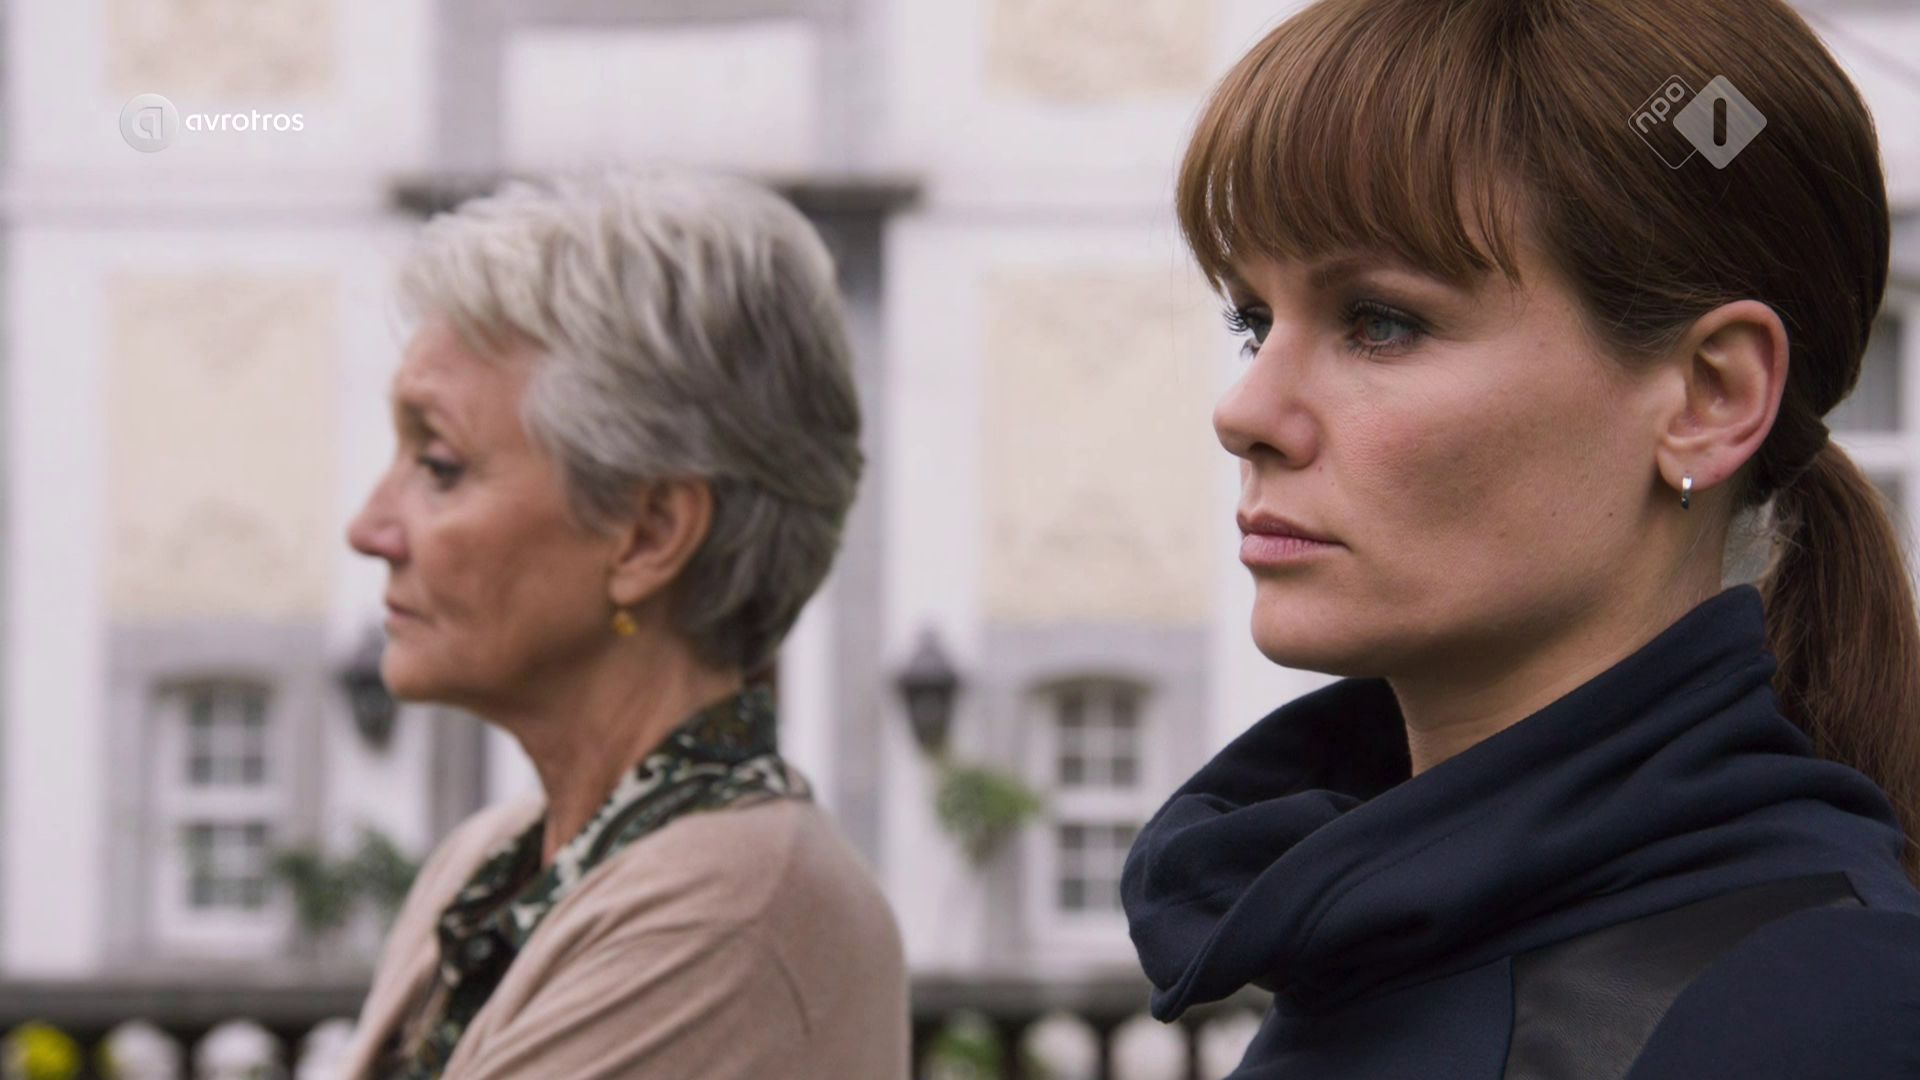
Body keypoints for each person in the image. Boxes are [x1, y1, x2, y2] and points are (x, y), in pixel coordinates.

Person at [1121, 1, 1920, 1076]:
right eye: (1253, 324)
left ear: (1710, 398)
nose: (1245, 410)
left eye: (1380, 322)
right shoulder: (1355, 937)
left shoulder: (1822, 1013)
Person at [330, 170, 907, 1079]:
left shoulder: (724, 917)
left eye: (439, 464)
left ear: (648, 534)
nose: (370, 529)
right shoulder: (492, 860)